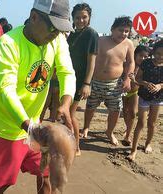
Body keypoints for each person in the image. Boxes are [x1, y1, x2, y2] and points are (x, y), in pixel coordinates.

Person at [0, 0, 76, 193]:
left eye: (60, 30)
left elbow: (67, 71)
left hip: (36, 125)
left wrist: (65, 103)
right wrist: (29, 128)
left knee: (47, 175)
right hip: (6, 128)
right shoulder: (8, 44)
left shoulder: (56, 39)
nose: (55, 34)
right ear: (34, 17)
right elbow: (6, 90)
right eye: (52, 28)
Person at [81, 16, 135, 146]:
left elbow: (131, 62)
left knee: (115, 110)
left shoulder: (129, 44)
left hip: (115, 84)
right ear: (112, 29)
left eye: (126, 31)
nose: (123, 33)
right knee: (90, 107)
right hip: (96, 81)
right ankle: (86, 127)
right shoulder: (100, 40)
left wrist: (127, 79)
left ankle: (109, 132)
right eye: (120, 30)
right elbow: (89, 58)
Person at [66, 3, 98, 155]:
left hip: (80, 81)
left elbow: (92, 61)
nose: (81, 20)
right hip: (68, 79)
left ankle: (77, 147)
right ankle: (69, 143)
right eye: (77, 17)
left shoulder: (91, 34)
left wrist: (86, 84)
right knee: (66, 113)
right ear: (72, 18)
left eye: (84, 17)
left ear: (89, 18)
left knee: (70, 114)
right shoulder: (72, 33)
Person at [127, 40, 163, 161]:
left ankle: (148, 143)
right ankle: (133, 150)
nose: (160, 57)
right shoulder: (146, 63)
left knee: (152, 123)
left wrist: (159, 86)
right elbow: (138, 78)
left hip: (158, 99)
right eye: (158, 53)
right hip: (143, 97)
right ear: (154, 52)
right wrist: (145, 83)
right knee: (141, 123)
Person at [122, 45, 150, 146]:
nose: (143, 58)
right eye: (140, 55)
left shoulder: (146, 67)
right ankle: (127, 127)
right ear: (135, 54)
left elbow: (143, 82)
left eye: (146, 56)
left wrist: (135, 80)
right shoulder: (128, 64)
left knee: (133, 113)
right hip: (124, 91)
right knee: (125, 111)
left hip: (135, 92)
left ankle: (128, 135)